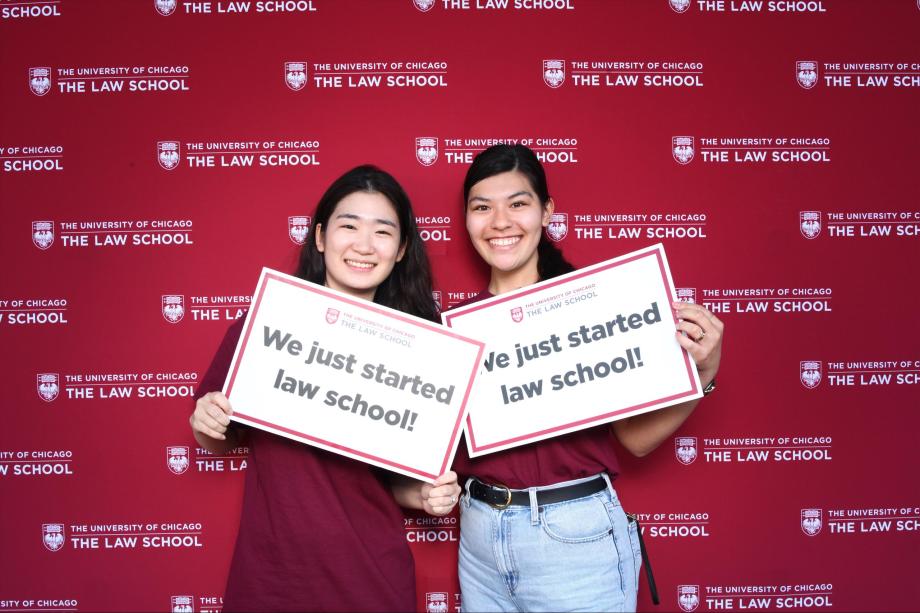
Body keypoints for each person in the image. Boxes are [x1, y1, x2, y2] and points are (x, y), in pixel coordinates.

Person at [452, 145, 724, 612]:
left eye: (517, 203)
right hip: (479, 536)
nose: (499, 221)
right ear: (467, 220)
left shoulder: (594, 307)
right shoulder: (455, 328)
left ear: (546, 211)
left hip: (573, 538)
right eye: (482, 207)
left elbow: (634, 441)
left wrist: (704, 373)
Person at [190, 165, 462, 612]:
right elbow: (214, 437)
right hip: (272, 577)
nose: (363, 245)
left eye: (382, 232)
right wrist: (207, 420)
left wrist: (428, 495)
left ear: (401, 250)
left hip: (371, 578)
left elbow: (394, 483)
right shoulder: (267, 323)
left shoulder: (422, 352)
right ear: (319, 237)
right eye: (348, 226)